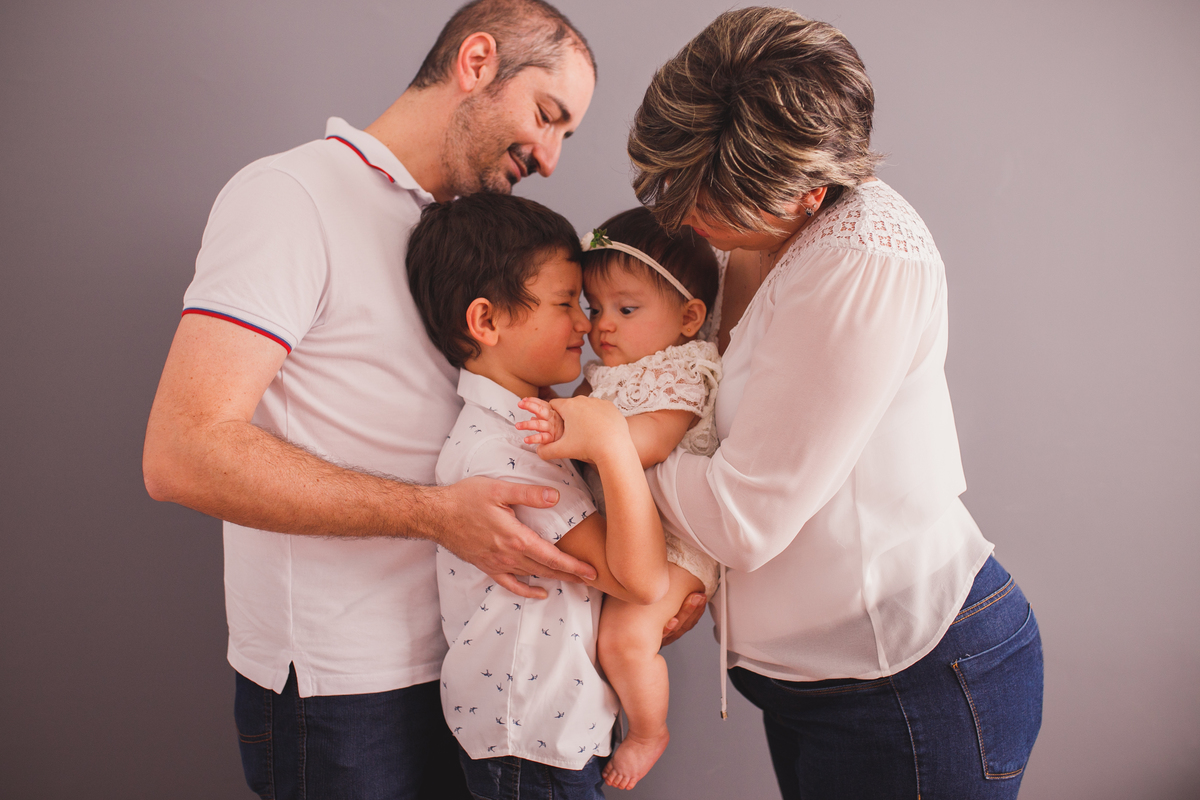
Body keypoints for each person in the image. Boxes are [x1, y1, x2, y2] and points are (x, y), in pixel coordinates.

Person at [141, 2, 599, 797]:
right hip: (345, 692)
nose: (551, 158)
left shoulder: (469, 236)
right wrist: (435, 514)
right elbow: (184, 451)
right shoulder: (292, 196)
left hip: (479, 672)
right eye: (547, 116)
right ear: (477, 62)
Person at [625, 8, 1044, 799]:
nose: (680, 217)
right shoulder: (760, 237)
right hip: (817, 686)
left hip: (906, 687)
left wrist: (610, 445)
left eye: (706, 202)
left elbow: (743, 519)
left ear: (808, 193)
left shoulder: (863, 260)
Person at [405, 192, 670, 800]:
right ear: (486, 322)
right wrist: (611, 440)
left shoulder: (527, 424)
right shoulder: (510, 448)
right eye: (564, 303)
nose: (586, 323)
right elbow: (641, 582)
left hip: (541, 731)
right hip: (532, 740)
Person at [516, 206, 722, 790]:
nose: (602, 325)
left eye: (626, 310)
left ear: (688, 317)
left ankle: (648, 731)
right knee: (590, 638)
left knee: (624, 641)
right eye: (594, 307)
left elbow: (649, 442)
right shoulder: (606, 373)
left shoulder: (684, 370)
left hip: (677, 543)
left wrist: (579, 431)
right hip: (627, 536)